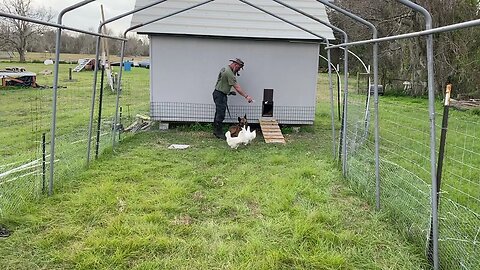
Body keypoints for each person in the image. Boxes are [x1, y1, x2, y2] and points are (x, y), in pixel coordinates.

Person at [212, 58, 253, 139]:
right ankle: (218, 133)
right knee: (220, 114)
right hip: (220, 95)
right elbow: (237, 87)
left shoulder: (224, 69)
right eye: (238, 68)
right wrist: (246, 96)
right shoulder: (229, 73)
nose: (238, 70)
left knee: (218, 113)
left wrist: (228, 92)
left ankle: (216, 131)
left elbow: (221, 82)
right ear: (235, 64)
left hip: (218, 93)